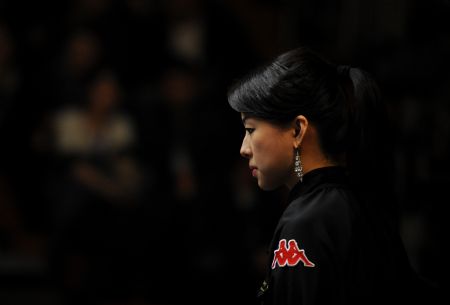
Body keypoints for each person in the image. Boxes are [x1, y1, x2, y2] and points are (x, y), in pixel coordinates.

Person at [227, 47, 440, 304]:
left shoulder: (307, 221)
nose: (243, 148)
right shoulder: (359, 201)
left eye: (250, 129)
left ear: (297, 129)